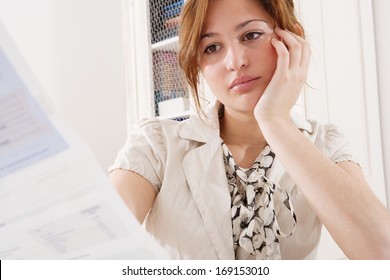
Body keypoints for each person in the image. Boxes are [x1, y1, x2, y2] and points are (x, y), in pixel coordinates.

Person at [109, 0, 390, 259]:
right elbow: (99, 244)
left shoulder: (325, 143)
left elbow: (381, 253)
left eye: (251, 35)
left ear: (290, 38)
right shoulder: (155, 145)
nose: (235, 61)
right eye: (212, 48)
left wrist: (275, 121)